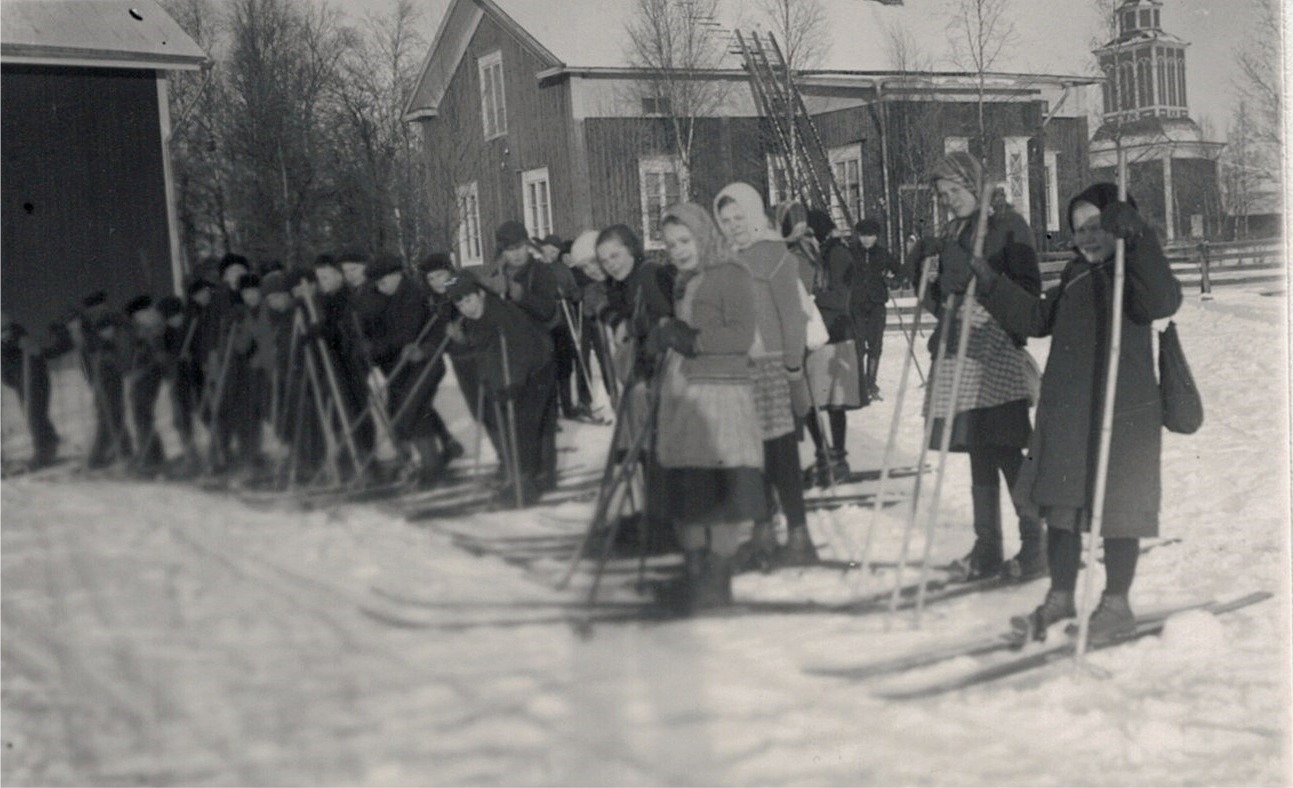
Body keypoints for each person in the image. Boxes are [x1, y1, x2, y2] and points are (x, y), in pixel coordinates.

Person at [959, 183, 1182, 640]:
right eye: (1078, 228)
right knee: (1061, 510)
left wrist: (1138, 240)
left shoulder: (1132, 270)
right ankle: (1060, 597)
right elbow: (1038, 320)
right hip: (1068, 415)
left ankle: (1116, 605)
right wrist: (991, 284)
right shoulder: (1078, 274)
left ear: (1120, 223)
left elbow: (1164, 300)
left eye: (1097, 225)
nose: (1086, 236)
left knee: (1118, 512)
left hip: (1121, 416)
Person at [922, 151, 1043, 582]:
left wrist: (982, 279)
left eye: (954, 191)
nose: (948, 201)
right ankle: (988, 545)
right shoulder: (955, 230)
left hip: (995, 353)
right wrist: (934, 289)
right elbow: (948, 302)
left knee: (1008, 449)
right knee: (977, 449)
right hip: (959, 354)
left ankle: (1036, 545)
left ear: (974, 186)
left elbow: (1030, 295)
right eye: (942, 195)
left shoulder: (1009, 227)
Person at [650, 203, 767, 611]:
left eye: (685, 240)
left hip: (721, 390)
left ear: (704, 234)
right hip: (687, 390)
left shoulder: (731, 274)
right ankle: (696, 574)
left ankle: (716, 580)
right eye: (670, 244)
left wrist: (691, 339)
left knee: (722, 488)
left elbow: (740, 336)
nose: (678, 250)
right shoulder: (689, 278)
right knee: (690, 488)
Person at [713, 182, 816, 568]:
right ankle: (762, 531)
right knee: (749, 455)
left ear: (754, 213)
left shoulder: (774, 253)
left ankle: (799, 535)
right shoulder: (724, 257)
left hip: (773, 366)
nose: (733, 226)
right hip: (740, 369)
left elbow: (792, 316)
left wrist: (792, 367)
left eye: (739, 217)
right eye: (725, 220)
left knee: (780, 453)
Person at [445, 271, 556, 506]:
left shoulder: (502, 313)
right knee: (513, 423)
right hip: (516, 371)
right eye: (460, 303)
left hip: (538, 367)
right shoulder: (471, 320)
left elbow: (522, 349)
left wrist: (513, 382)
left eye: (470, 299)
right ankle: (529, 479)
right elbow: (486, 351)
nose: (466, 307)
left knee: (523, 423)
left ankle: (526, 486)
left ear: (481, 294)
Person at [801, 207, 864, 487]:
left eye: (811, 233)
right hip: (818, 334)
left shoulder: (837, 254)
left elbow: (840, 297)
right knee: (812, 400)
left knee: (835, 402)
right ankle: (824, 454)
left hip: (836, 333)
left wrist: (810, 298)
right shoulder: (817, 254)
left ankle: (838, 457)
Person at [1, 312, 68, 469]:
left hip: (35, 382)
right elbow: (5, 367)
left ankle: (44, 450)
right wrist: (10, 380)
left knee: (34, 416)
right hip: (21, 383)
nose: (3, 335)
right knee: (34, 415)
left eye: (5, 330)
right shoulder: (4, 346)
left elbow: (41, 353)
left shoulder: (22, 340)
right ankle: (50, 440)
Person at [850, 217, 901, 402]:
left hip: (877, 305)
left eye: (870, 236)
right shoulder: (850, 252)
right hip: (856, 305)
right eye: (863, 235)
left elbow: (899, 273)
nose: (866, 240)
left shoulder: (883, 254)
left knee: (875, 345)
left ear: (876, 237)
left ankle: (871, 383)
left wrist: (890, 280)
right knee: (858, 346)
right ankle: (859, 386)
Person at [123, 295, 170, 473]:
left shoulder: (152, 327)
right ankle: (151, 453)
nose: (136, 319)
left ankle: (150, 456)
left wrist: (141, 370)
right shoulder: (145, 327)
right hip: (142, 376)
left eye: (137, 315)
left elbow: (157, 356)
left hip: (148, 377)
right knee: (141, 415)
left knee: (142, 415)